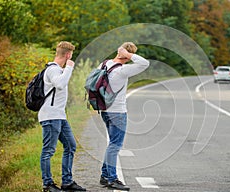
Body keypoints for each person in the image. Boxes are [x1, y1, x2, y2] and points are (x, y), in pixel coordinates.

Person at [98, 42, 149, 191]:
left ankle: (104, 175)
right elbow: (144, 63)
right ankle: (112, 179)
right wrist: (128, 55)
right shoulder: (123, 70)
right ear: (127, 56)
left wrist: (122, 53)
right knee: (115, 145)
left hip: (105, 110)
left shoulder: (104, 64)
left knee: (112, 144)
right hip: (117, 112)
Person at [38, 41, 86, 192]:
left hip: (59, 116)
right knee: (48, 151)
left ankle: (67, 182)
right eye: (71, 54)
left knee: (71, 146)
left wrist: (66, 69)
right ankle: (48, 184)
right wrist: (70, 67)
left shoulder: (59, 69)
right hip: (50, 116)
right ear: (68, 55)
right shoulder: (52, 69)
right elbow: (60, 84)